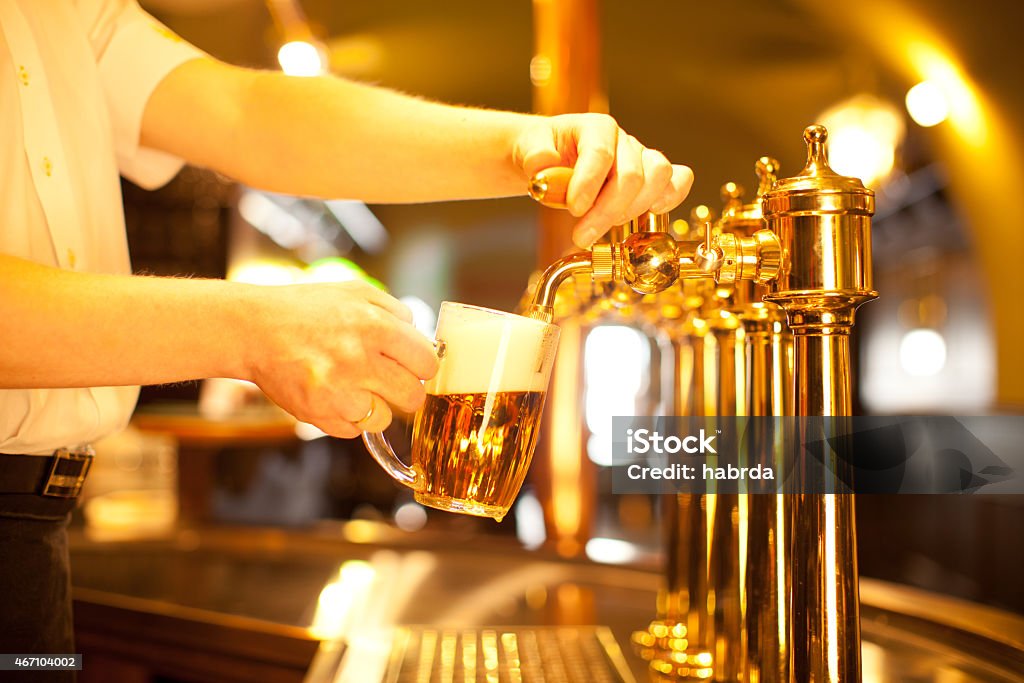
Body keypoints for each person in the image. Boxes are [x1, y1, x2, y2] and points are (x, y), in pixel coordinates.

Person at [0, 0, 694, 673]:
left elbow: (248, 116)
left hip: (35, 528)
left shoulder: (70, 9)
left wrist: (522, 149)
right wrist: (249, 327)